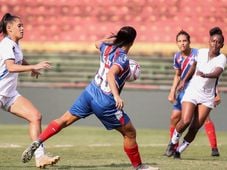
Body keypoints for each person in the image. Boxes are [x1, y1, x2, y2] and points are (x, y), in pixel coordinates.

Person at [21, 26, 159, 170]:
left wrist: (110, 39)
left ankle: (38, 141)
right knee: (130, 133)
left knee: (64, 120)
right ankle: (138, 167)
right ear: (132, 42)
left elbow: (96, 43)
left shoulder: (106, 47)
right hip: (105, 100)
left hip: (90, 91)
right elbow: (111, 74)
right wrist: (117, 96)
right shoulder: (123, 58)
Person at [0, 13, 60, 168]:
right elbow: (11, 67)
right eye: (19, 26)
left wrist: (29, 66)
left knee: (35, 116)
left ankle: (40, 157)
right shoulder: (6, 44)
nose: (22, 28)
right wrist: (34, 66)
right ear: (9, 28)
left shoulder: (14, 45)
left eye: (22, 25)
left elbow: (18, 59)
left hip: (9, 94)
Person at [165, 27, 226, 159]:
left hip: (207, 97)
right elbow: (193, 67)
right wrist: (184, 80)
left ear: (222, 44)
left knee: (195, 127)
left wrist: (205, 74)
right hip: (192, 91)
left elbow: (217, 73)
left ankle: (179, 151)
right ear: (209, 42)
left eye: (218, 42)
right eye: (213, 41)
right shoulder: (202, 52)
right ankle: (173, 142)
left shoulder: (222, 58)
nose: (215, 44)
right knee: (185, 120)